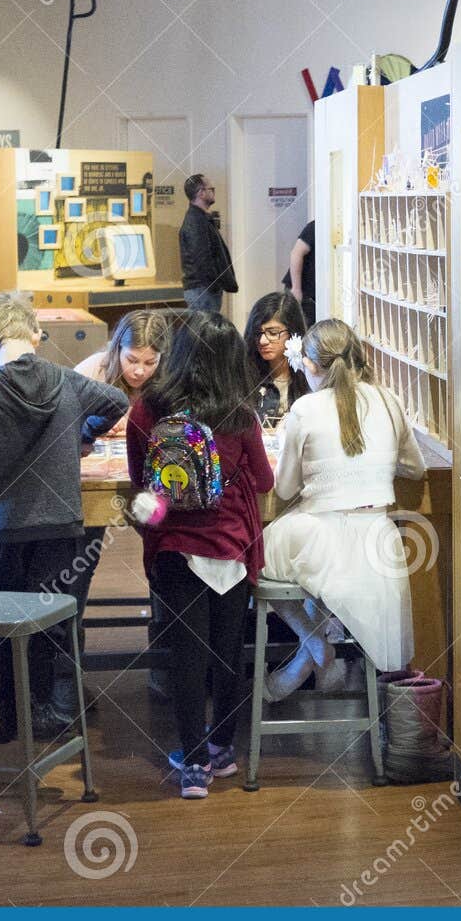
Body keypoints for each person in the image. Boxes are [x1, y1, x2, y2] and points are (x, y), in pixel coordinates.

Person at [0, 292, 129, 743]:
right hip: (59, 523)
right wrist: (80, 436)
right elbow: (115, 401)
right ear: (35, 333)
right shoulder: (65, 380)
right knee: (51, 619)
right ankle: (48, 710)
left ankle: (1, 712)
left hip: (4, 526)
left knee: (2, 621)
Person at [127, 311, 273, 799]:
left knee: (185, 653)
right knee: (226, 651)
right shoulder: (239, 412)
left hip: (174, 545)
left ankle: (192, 765)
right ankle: (223, 750)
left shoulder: (149, 409)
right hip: (229, 545)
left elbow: (140, 481)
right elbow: (267, 481)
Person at [261, 318, 426, 700]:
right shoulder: (389, 400)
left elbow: (284, 488)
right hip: (376, 540)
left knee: (256, 558)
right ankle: (318, 644)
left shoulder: (305, 409)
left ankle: (314, 641)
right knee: (317, 573)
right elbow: (415, 469)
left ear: (312, 366)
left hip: (318, 533)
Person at [54, 309, 173, 714]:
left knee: (168, 554)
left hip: (149, 487)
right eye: (132, 360)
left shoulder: (170, 382)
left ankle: (167, 664)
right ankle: (65, 679)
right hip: (92, 486)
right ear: (116, 350)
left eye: (149, 362)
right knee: (76, 563)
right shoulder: (92, 371)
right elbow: (63, 430)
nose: (139, 371)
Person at [242, 291, 309, 424]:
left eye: (272, 333)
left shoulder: (309, 376)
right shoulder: (245, 377)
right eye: (257, 333)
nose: (262, 341)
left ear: (292, 332)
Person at [178, 174, 236, 314]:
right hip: (203, 291)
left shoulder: (201, 219)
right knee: (204, 334)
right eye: (211, 189)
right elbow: (202, 259)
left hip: (204, 290)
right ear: (201, 193)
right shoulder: (196, 222)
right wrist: (215, 285)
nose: (213, 192)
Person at [287, 219, 316, 323]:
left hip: (313, 294)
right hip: (302, 290)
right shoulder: (315, 226)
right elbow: (296, 253)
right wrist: (296, 289)